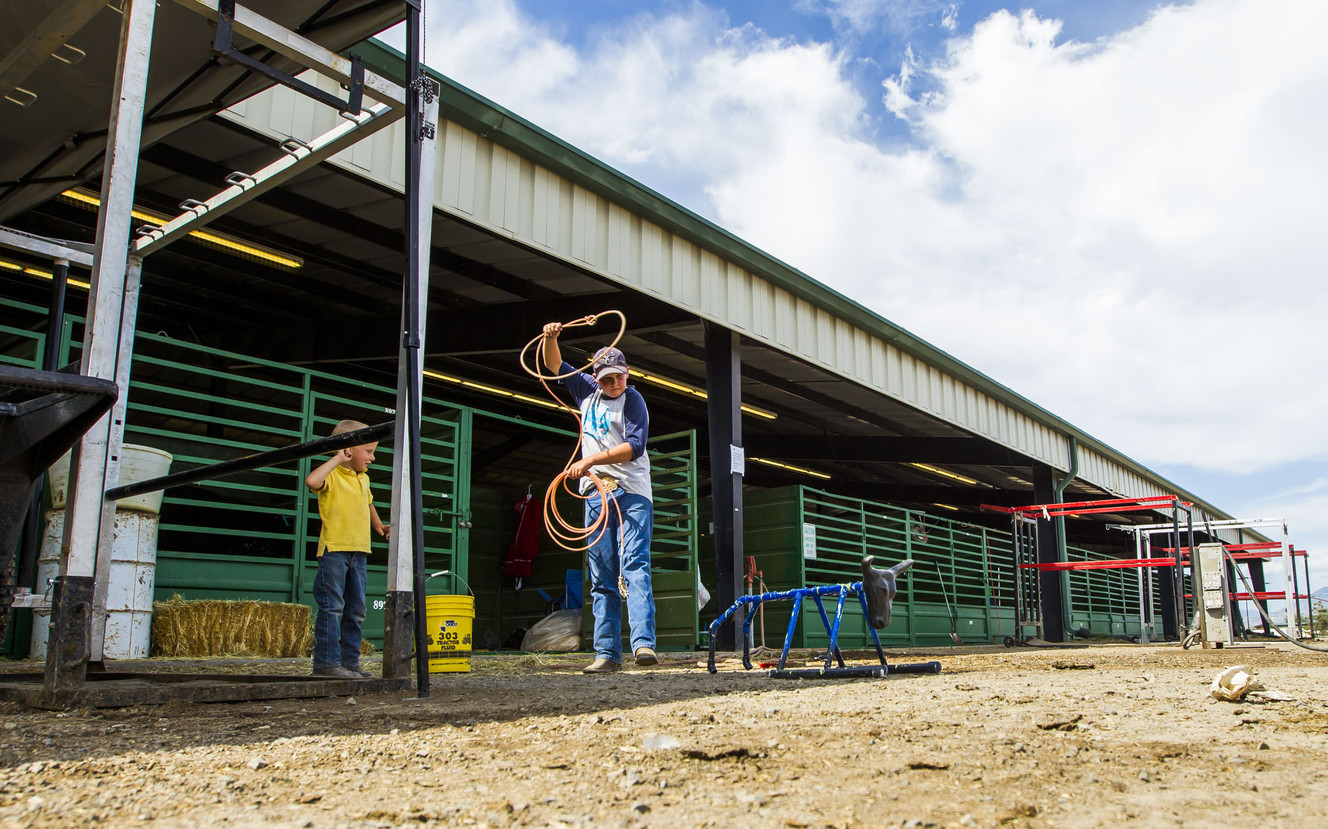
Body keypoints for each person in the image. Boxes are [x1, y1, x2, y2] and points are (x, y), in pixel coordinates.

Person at [541, 322, 657, 673]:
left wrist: (590, 459)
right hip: (597, 493)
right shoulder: (586, 392)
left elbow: (634, 447)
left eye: (618, 378)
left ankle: (643, 644)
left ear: (626, 374)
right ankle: (607, 652)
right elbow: (553, 365)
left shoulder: (633, 401)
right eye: (606, 379)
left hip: (632, 491)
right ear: (596, 377)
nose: (613, 385)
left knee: (634, 565)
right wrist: (551, 338)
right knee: (601, 573)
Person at [305, 419, 389, 678]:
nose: (372, 457)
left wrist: (378, 525)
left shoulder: (363, 479)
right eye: (369, 451)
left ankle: (350, 663)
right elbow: (311, 481)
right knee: (333, 607)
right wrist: (337, 458)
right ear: (349, 450)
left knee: (356, 610)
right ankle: (326, 663)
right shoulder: (332, 474)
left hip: (359, 552)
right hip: (335, 551)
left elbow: (368, 503)